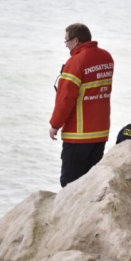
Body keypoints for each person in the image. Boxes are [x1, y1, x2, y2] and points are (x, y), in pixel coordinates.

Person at [49, 23, 114, 187]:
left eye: (67, 41)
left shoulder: (76, 61)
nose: (66, 46)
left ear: (76, 40)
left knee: (70, 183)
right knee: (91, 182)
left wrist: (55, 125)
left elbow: (65, 99)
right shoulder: (107, 57)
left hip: (79, 133)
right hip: (100, 132)